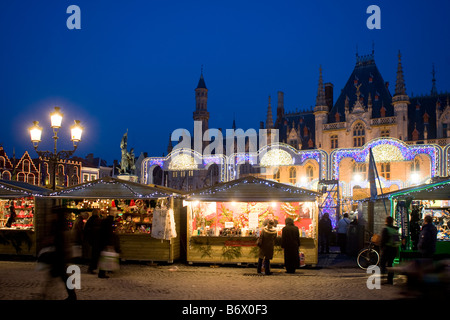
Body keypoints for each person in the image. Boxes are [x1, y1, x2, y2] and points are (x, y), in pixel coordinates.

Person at [97, 209, 120, 278]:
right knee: (105, 258)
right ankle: (102, 273)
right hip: (106, 242)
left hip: (103, 242)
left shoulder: (105, 222)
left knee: (104, 258)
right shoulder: (108, 224)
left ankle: (102, 272)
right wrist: (110, 243)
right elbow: (109, 234)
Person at [379, 216, 400, 285]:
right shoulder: (394, 230)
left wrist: (381, 249)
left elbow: (383, 241)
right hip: (394, 249)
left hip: (387, 249)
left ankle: (382, 279)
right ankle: (390, 280)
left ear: (386, 221)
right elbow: (397, 241)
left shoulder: (386, 229)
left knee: (382, 264)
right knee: (390, 264)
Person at [84, 209, 102, 274]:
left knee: (93, 254)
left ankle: (92, 268)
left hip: (91, 240)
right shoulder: (97, 220)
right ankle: (92, 268)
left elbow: (85, 230)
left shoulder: (89, 220)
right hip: (96, 240)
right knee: (95, 255)